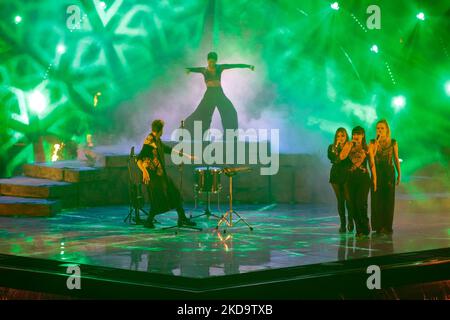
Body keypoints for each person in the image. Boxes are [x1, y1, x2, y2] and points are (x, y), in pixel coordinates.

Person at [136, 119, 196, 229]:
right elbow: (138, 159)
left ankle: (181, 218)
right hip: (152, 176)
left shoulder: (157, 140)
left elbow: (169, 150)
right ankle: (149, 221)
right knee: (157, 198)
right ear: (160, 130)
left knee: (174, 193)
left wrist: (186, 156)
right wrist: (144, 172)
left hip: (160, 174)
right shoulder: (149, 142)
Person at [184, 51, 254, 135]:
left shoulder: (220, 67)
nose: (211, 64)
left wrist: (248, 66)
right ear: (207, 61)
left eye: (213, 62)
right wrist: (188, 70)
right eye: (210, 62)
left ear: (216, 61)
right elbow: (190, 69)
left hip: (219, 93)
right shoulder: (203, 70)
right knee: (201, 113)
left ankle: (230, 135)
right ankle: (191, 131)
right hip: (209, 94)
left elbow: (234, 65)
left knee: (231, 111)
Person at [339, 126, 377, 237]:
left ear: (363, 135)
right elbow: (342, 157)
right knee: (352, 205)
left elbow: (372, 164)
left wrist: (375, 180)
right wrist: (348, 145)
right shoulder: (349, 145)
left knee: (361, 203)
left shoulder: (366, 147)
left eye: (358, 134)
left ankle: (365, 226)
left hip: (364, 178)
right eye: (354, 134)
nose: (356, 136)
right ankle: (359, 229)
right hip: (351, 179)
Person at [370, 119, 401, 235]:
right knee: (378, 199)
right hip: (377, 172)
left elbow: (396, 159)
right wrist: (376, 144)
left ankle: (387, 226)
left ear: (387, 130)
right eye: (378, 128)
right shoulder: (373, 142)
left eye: (382, 128)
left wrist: (399, 174)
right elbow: (371, 157)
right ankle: (378, 226)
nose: (380, 130)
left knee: (388, 200)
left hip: (388, 172)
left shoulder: (393, 142)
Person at [327, 128, 351, 233]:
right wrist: (336, 148)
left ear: (346, 137)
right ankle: (343, 224)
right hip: (335, 174)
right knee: (340, 200)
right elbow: (332, 158)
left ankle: (351, 221)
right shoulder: (331, 147)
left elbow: (347, 159)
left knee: (348, 199)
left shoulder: (349, 146)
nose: (340, 138)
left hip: (346, 174)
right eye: (338, 136)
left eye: (343, 136)